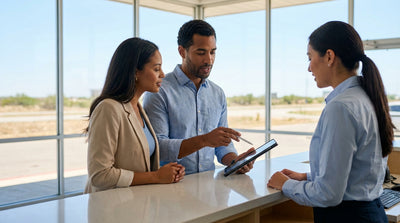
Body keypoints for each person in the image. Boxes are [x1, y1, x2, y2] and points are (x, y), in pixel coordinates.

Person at [267, 21, 395, 223]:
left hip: (347, 217)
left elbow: (328, 194)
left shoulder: (341, 107)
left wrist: (285, 185)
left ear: (329, 56)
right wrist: (308, 177)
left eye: (310, 58)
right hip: (369, 213)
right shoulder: (366, 96)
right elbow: (357, 172)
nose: (309, 68)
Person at [142, 20, 254, 175]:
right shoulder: (159, 91)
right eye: (201, 53)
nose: (209, 60)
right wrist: (204, 140)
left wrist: (235, 161)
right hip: (170, 188)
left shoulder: (218, 93)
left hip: (209, 187)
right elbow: (157, 147)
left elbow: (222, 146)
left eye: (212, 52)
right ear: (182, 52)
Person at [84, 37, 185, 193]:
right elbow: (99, 175)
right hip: (110, 210)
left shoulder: (138, 108)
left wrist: (168, 173)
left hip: (136, 206)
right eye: (156, 69)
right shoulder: (108, 108)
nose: (163, 74)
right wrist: (156, 176)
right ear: (136, 72)